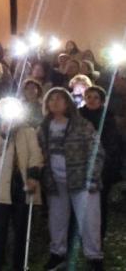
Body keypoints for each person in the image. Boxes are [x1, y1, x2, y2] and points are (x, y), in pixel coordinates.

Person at [37, 88, 104, 271]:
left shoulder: (82, 125)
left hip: (81, 180)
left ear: (68, 103)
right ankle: (58, 254)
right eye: (51, 99)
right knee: (56, 220)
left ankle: (94, 258)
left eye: (60, 99)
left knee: (89, 221)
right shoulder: (43, 128)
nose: (55, 102)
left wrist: (93, 176)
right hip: (56, 182)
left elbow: (96, 152)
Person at [0, 97, 43, 271]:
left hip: (22, 187)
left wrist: (33, 176)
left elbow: (35, 155)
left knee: (22, 230)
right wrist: (3, 133)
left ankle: (19, 263)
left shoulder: (28, 131)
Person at [79, 86, 121, 241]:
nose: (91, 100)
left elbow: (111, 144)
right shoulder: (78, 117)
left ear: (101, 101)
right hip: (79, 167)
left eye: (95, 97)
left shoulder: (108, 119)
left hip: (102, 169)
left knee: (99, 205)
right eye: (88, 96)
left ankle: (97, 239)